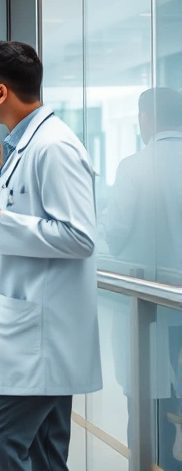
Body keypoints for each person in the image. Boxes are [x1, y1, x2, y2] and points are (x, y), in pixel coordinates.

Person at [0, 41, 102, 471]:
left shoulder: (53, 148)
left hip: (38, 339)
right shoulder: (27, 146)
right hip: (29, 334)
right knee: (46, 455)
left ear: (1, 93)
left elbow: (79, 236)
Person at [101, 88, 182, 469]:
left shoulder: (135, 166)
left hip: (149, 309)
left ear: (145, 118)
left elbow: (114, 233)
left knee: (148, 406)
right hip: (173, 306)